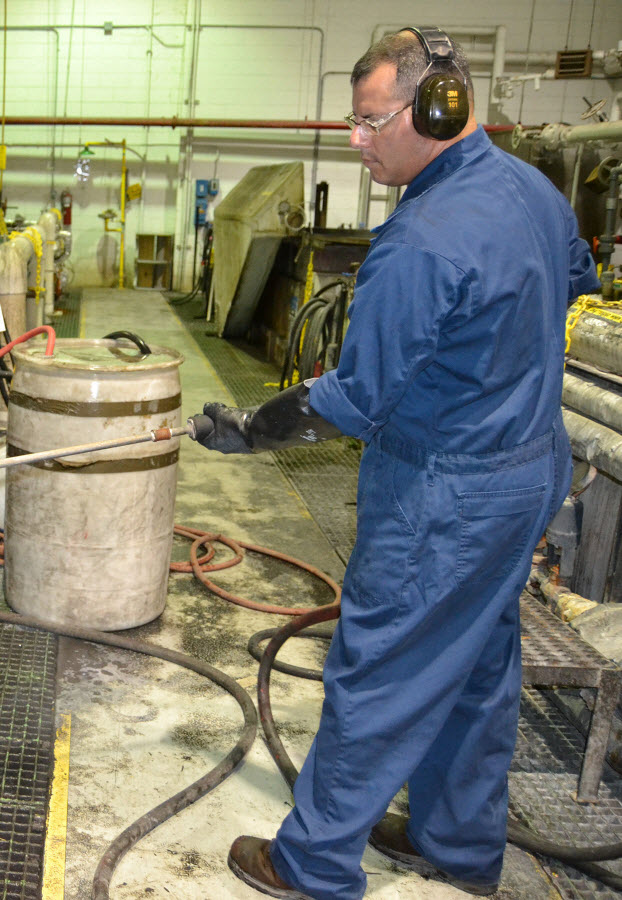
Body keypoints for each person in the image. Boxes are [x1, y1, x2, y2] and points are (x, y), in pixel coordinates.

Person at [193, 27, 601, 900]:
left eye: (371, 122)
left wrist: (252, 429)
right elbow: (574, 278)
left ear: (437, 109)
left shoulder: (420, 242)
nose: (356, 139)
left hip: (447, 492)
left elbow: (356, 398)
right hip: (527, 470)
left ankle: (313, 863)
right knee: (479, 664)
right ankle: (455, 844)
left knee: (382, 668)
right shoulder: (532, 191)